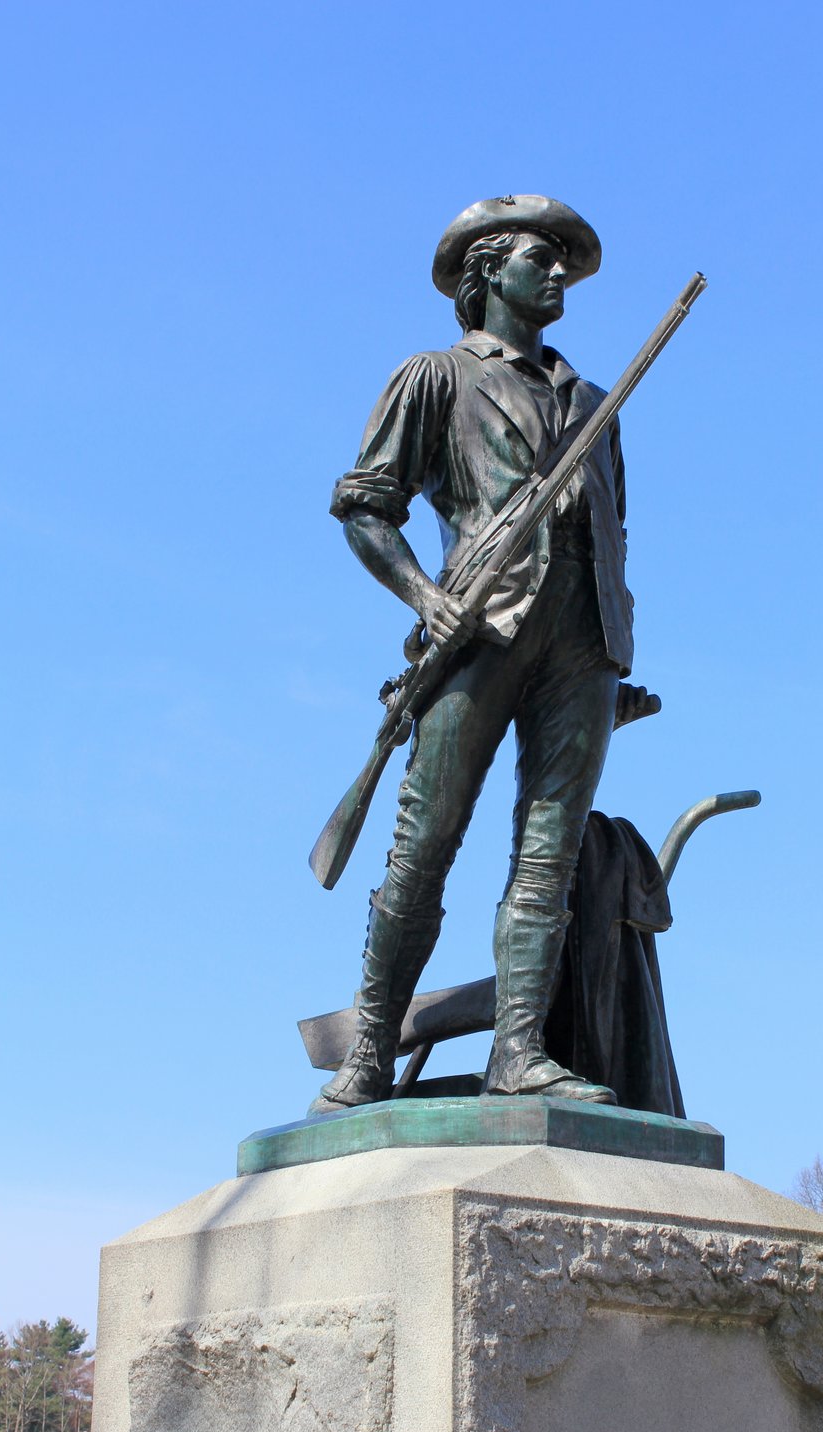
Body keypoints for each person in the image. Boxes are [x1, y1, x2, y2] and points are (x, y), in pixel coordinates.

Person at [309, 195, 654, 1116]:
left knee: (547, 859)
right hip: (479, 626)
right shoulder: (436, 377)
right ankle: (371, 1052)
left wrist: (616, 657)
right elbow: (365, 506)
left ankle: (518, 1055)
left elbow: (614, 530)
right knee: (423, 848)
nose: (557, 274)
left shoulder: (595, 402)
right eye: (539, 259)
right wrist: (429, 600)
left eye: (563, 263)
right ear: (487, 271)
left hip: (584, 641)